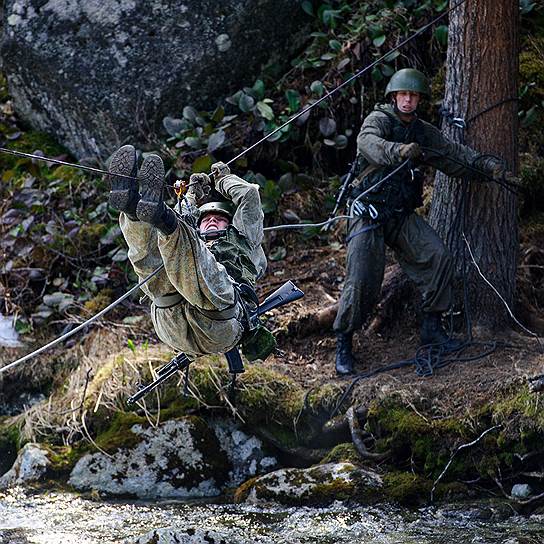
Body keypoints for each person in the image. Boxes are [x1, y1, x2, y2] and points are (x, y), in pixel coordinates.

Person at [334, 68, 511, 375]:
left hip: (401, 216)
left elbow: (452, 156)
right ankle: (344, 342)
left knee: (437, 257)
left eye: (413, 95)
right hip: (368, 213)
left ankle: (432, 328)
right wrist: (397, 150)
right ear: (393, 96)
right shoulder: (380, 119)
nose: (408, 100)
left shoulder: (422, 131)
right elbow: (367, 142)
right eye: (403, 94)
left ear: (419, 100)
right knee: (362, 278)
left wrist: (486, 167)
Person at [106, 145, 272, 360]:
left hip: (219, 322)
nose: (212, 219)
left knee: (188, 251)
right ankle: (131, 210)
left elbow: (249, 195)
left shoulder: (244, 240)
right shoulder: (187, 236)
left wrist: (223, 180)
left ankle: (146, 215)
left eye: (220, 218)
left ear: (230, 224)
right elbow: (183, 218)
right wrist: (192, 193)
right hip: (170, 322)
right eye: (206, 219)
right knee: (156, 257)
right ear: (199, 225)